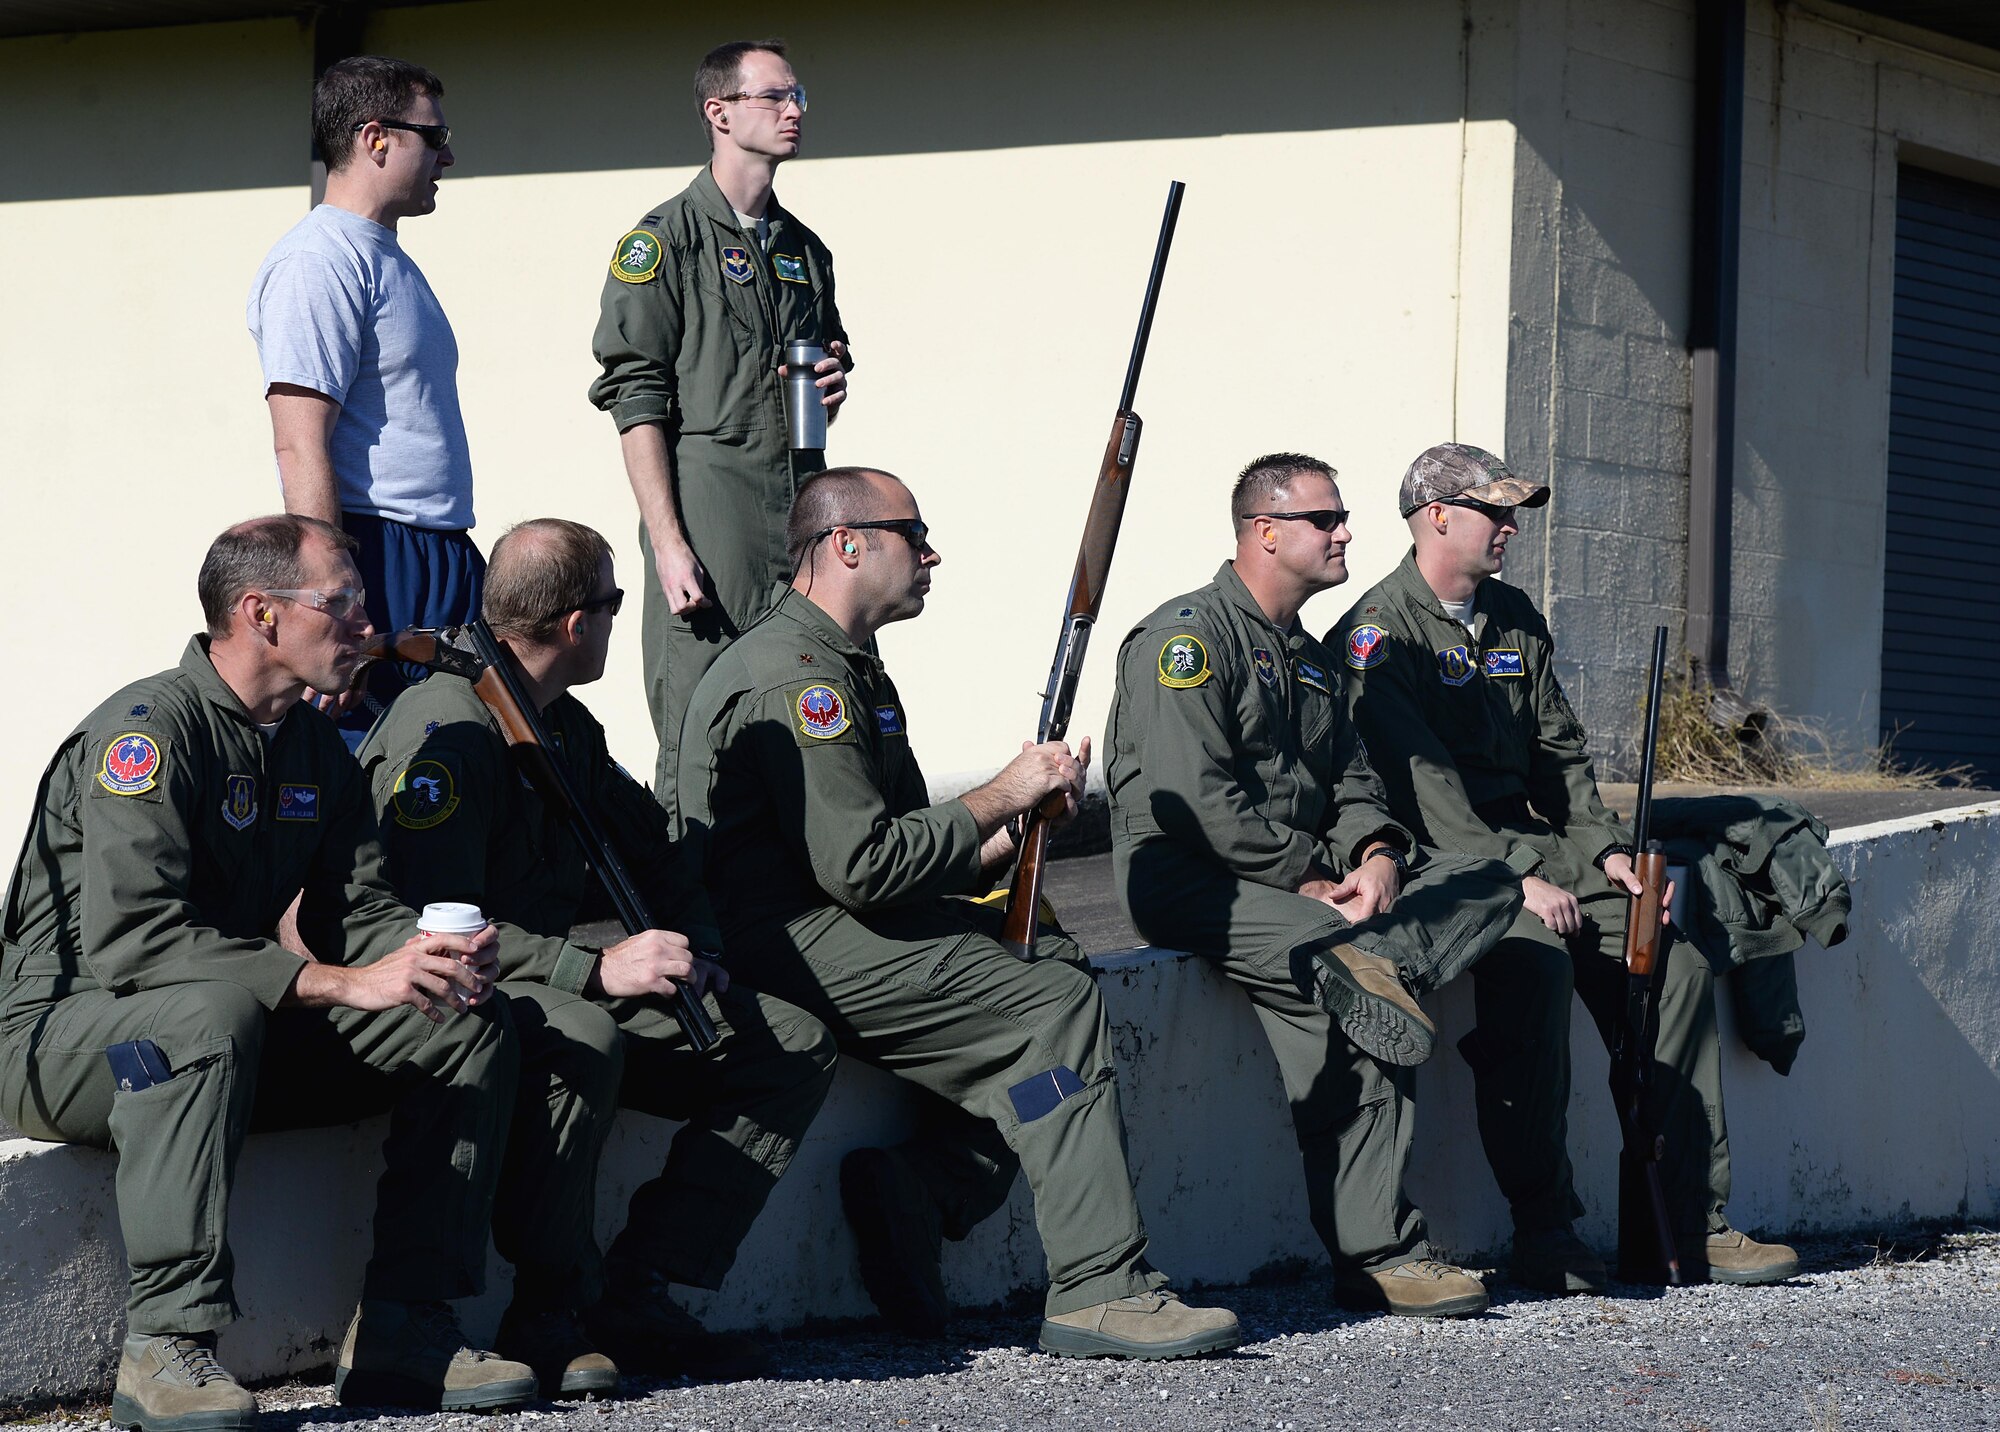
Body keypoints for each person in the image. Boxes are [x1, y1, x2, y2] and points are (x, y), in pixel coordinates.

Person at [678, 467, 1239, 1359]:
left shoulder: (849, 664)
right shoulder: (801, 679)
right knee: (1049, 1012)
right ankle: (1100, 1288)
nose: (932, 551)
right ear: (848, 544)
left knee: (1053, 966)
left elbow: (895, 847)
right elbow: (860, 865)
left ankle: (929, 1184)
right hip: (786, 938)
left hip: (836, 917)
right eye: (914, 531)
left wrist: (1012, 832)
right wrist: (1000, 791)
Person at [0, 516, 537, 1432]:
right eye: (343, 602)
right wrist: (338, 983)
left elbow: (356, 915)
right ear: (260, 614)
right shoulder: (148, 736)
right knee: (204, 1020)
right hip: (66, 1039)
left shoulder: (311, 751)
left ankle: (408, 1327)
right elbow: (135, 943)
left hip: (219, 1034)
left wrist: (426, 957)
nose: (368, 623)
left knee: (462, 1021)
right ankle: (164, 1347)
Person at [1106, 451, 1597, 1319]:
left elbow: (1354, 783)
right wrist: (1308, 877)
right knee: (1360, 967)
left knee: (1493, 892)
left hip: (1314, 886)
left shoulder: (1308, 657)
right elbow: (1199, 803)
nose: (1345, 533)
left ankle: (1546, 1224)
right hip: (1197, 882)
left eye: (1341, 519)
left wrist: (1373, 856)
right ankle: (1379, 1253)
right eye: (1323, 521)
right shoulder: (1186, 640)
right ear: (1263, 532)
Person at [359, 518, 837, 1389]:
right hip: (457, 999)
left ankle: (639, 1291)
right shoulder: (450, 731)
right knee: (585, 1032)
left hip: (533, 984)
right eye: (615, 603)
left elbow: (650, 850)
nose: (619, 620)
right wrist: (596, 968)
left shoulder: (560, 725)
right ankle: (550, 1309)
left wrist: (704, 950)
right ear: (578, 624)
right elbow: (436, 930)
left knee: (787, 1048)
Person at [1333, 442, 1800, 1285]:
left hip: (1541, 844)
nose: (1511, 527)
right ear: (1438, 517)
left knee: (1676, 963)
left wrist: (1608, 853)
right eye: (1495, 511)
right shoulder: (1376, 634)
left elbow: (1564, 762)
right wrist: (1518, 876)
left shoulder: (1515, 618)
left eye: (1515, 513)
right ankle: (1546, 1229)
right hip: (1447, 860)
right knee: (1535, 961)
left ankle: (1692, 1219)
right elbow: (1426, 792)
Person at [590, 38, 852, 818]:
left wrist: (835, 381)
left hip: (801, 502)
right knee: (702, 715)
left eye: (798, 95)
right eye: (775, 96)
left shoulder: (805, 250)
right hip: (711, 506)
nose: (795, 109)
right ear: (720, 112)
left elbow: (822, 366)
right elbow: (634, 397)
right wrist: (669, 542)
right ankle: (694, 919)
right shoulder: (663, 241)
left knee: (808, 698)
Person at [247, 56, 482, 746]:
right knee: (379, 768)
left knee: (456, 770)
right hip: (375, 550)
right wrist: (333, 597)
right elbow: (299, 441)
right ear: (377, 138)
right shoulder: (317, 261)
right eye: (435, 138)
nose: (450, 155)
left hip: (441, 551)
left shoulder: (387, 257)